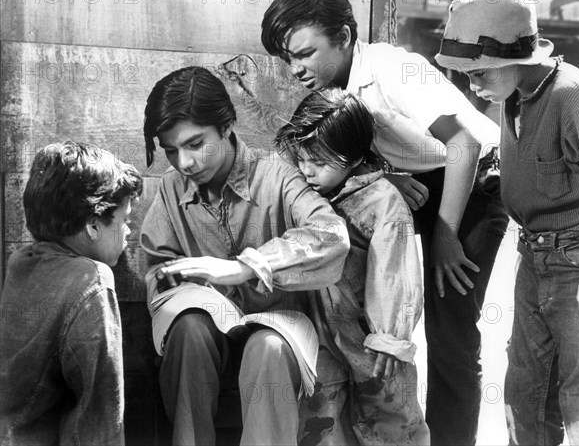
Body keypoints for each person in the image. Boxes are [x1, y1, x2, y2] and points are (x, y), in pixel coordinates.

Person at [262, 0, 509, 444]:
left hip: (471, 183)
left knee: (450, 324)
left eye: (306, 53)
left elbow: (464, 145)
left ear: (345, 36)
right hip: (420, 183)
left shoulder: (393, 69)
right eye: (288, 59)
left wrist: (446, 235)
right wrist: (382, 176)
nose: (296, 69)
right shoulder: (335, 88)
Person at [140, 66, 350, 446]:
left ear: (226, 126)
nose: (184, 162)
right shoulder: (171, 190)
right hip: (208, 333)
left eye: (195, 143)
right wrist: (187, 287)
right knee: (187, 330)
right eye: (171, 150)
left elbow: (331, 236)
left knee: (266, 347)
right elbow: (157, 269)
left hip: (279, 330)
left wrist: (245, 268)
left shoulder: (277, 175)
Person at [435, 0, 579, 444]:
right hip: (534, 260)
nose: (473, 83)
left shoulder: (573, 97)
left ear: (517, 57)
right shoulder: (511, 94)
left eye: (481, 73)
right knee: (523, 394)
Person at [276, 88, 430, 445]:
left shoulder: (383, 201)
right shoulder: (306, 196)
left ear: (355, 155)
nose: (307, 170)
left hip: (373, 343)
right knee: (320, 424)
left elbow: (395, 272)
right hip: (323, 339)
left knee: (392, 424)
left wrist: (389, 338)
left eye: (320, 161)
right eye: (301, 158)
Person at [0, 141, 143, 445]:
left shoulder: (21, 262)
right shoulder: (92, 280)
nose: (129, 231)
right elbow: (99, 414)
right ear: (92, 225)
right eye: (125, 221)